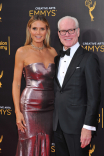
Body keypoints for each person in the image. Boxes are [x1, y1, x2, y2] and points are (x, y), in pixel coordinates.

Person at [53, 16, 101, 156]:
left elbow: (94, 96)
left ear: (78, 31)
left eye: (71, 30)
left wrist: (88, 127)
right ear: (58, 34)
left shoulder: (89, 58)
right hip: (58, 125)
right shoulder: (57, 59)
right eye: (63, 31)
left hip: (78, 127)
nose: (67, 35)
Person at [12, 15, 57, 156]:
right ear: (29, 30)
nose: (38, 33)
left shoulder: (53, 52)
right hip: (29, 106)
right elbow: (16, 83)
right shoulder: (22, 51)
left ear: (47, 31)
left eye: (42, 29)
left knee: (46, 144)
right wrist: (17, 112)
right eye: (35, 28)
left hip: (49, 107)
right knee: (29, 144)